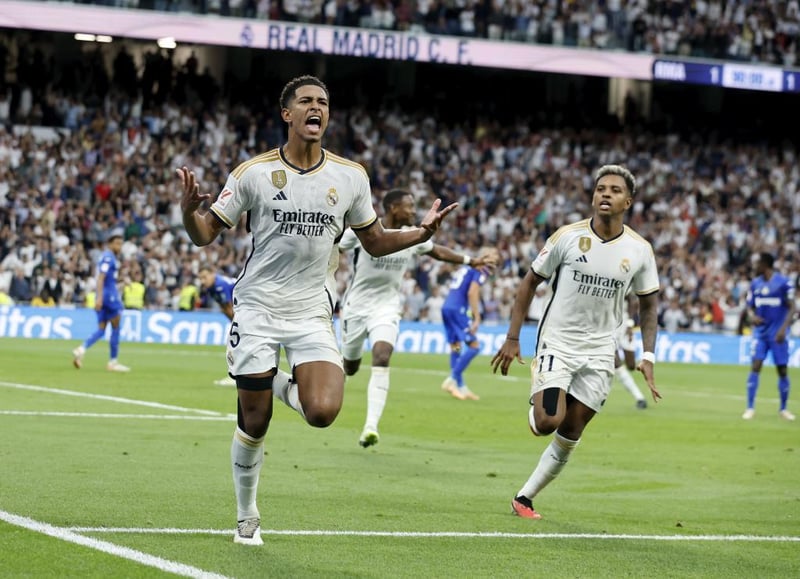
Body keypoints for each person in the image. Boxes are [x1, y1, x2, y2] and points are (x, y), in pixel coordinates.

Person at [176, 75, 457, 546]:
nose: (316, 108)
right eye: (306, 101)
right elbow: (205, 233)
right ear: (287, 114)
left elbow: (375, 241)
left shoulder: (350, 177)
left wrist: (422, 233)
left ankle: (262, 379)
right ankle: (246, 514)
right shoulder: (253, 173)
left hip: (311, 311)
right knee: (255, 421)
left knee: (323, 411)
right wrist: (188, 213)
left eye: (323, 102)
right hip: (259, 307)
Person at [491, 164, 661, 520]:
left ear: (628, 202)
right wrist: (512, 337)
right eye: (601, 188)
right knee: (547, 422)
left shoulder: (640, 250)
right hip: (558, 342)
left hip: (601, 351)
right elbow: (529, 282)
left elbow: (648, 304)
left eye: (615, 190)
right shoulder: (567, 237)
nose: (605, 194)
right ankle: (542, 395)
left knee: (571, 430)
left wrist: (648, 354)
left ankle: (524, 498)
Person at [339, 188, 496, 448]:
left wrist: (471, 261)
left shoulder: (412, 235)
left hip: (387, 307)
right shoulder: (363, 230)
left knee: (382, 356)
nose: (414, 211)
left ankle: (370, 427)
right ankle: (339, 376)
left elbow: (438, 251)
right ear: (393, 208)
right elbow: (333, 246)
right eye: (409, 206)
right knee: (350, 367)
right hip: (356, 307)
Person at [440, 246, 501, 401]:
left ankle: (461, 387)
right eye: (493, 254)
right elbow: (472, 292)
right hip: (458, 310)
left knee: (456, 346)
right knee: (474, 346)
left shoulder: (467, 267)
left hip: (447, 307)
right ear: (484, 256)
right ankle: (452, 379)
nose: (495, 258)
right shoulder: (481, 269)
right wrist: (477, 317)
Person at [742, 252, 795, 421]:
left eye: (757, 263)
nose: (755, 266)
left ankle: (783, 409)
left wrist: (783, 329)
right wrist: (752, 316)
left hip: (778, 335)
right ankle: (750, 408)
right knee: (755, 366)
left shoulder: (783, 283)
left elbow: (792, 307)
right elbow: (749, 306)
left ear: (765, 265)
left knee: (782, 370)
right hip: (761, 334)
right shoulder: (755, 284)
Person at [72, 229, 131, 372]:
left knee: (101, 329)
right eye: (117, 243)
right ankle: (113, 362)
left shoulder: (108, 257)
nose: (119, 246)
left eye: (121, 244)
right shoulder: (108, 257)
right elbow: (101, 278)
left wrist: (122, 280)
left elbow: (109, 278)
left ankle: (81, 349)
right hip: (109, 296)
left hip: (105, 295)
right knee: (116, 327)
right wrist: (99, 298)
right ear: (110, 244)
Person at [198, 264, 238, 386]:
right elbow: (223, 308)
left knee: (236, 344)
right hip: (241, 311)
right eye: (200, 278)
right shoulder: (211, 287)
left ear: (213, 274)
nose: (202, 281)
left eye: (205, 277)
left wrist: (237, 326)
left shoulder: (220, 285)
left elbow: (229, 308)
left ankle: (236, 376)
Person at [614, 317, 648, 409]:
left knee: (631, 366)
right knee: (616, 364)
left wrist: (629, 325)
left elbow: (632, 307)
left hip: (624, 327)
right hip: (610, 328)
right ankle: (640, 398)